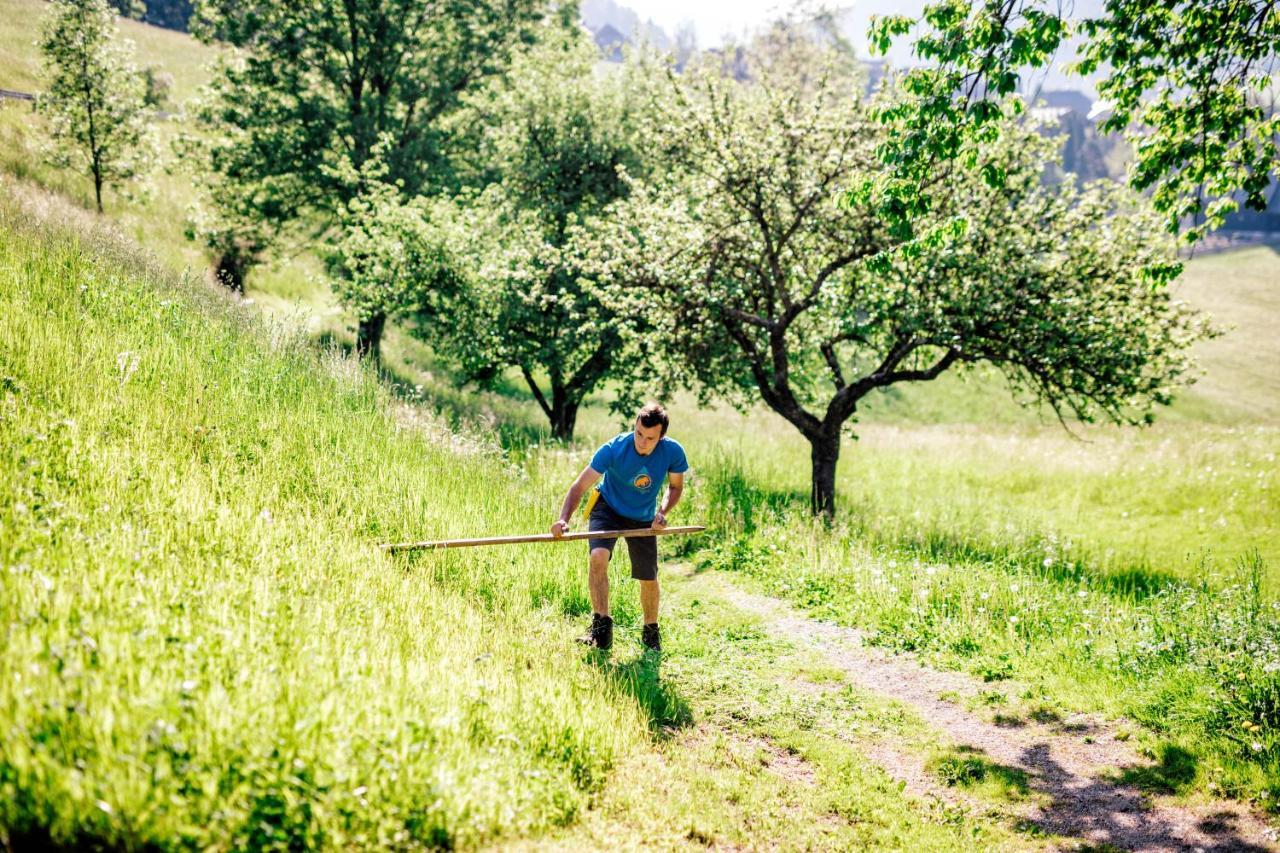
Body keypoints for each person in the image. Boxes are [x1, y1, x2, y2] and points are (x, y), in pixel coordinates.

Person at [551, 402, 688, 652]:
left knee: (648, 576)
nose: (642, 442)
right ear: (634, 426)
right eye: (638, 434)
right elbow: (579, 486)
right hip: (608, 508)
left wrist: (662, 512)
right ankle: (600, 628)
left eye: (650, 438)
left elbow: (676, 487)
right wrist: (563, 519)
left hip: (644, 516)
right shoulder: (614, 448)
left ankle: (650, 633)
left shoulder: (673, 452)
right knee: (598, 557)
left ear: (661, 437)